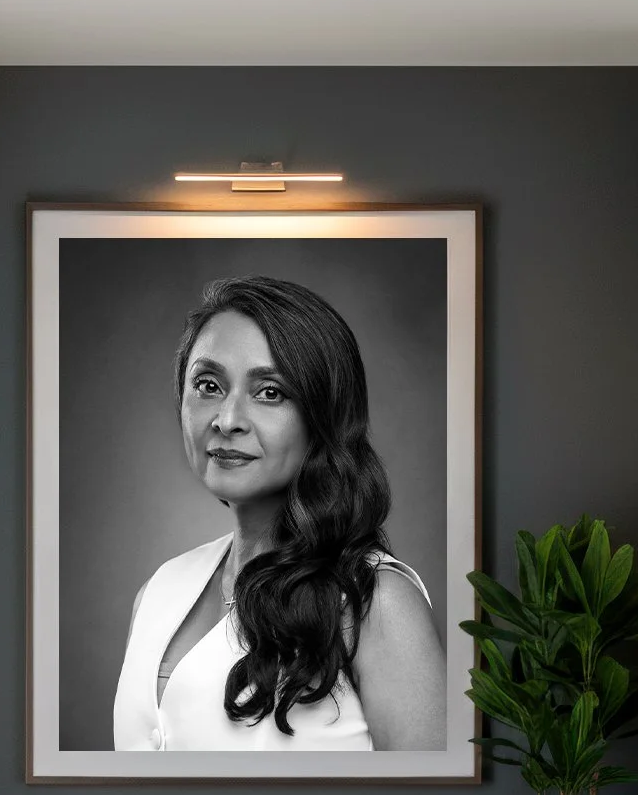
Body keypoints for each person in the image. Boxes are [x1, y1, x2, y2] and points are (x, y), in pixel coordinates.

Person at [112, 275, 441, 751]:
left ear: (323, 417)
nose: (227, 420)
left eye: (270, 393)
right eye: (207, 385)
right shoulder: (159, 590)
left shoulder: (374, 602)